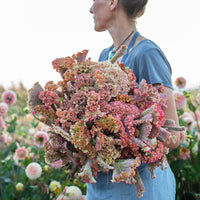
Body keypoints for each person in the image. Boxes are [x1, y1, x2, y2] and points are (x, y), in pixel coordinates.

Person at [87, 0, 180, 199]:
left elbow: (173, 136)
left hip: (141, 190)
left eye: (94, 0)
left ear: (112, 2)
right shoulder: (104, 56)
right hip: (104, 187)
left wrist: (128, 136)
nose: (91, 8)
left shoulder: (147, 53)